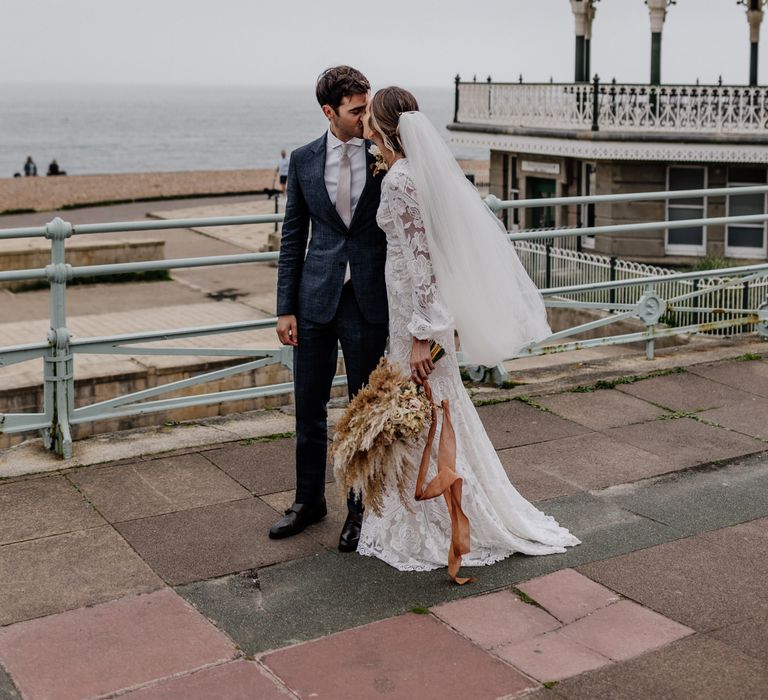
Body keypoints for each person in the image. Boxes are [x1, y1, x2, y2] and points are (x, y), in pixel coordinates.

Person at [358, 87, 580, 572]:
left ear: (384, 125)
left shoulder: (399, 179)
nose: (366, 125)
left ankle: (439, 519)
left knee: (429, 411)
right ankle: (439, 509)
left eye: (370, 117)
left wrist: (423, 334)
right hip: (413, 313)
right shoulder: (414, 173)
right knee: (437, 410)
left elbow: (423, 265)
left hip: (416, 318)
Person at [271, 66, 389, 552]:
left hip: (366, 300)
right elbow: (293, 236)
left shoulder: (384, 155)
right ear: (329, 112)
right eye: (356, 110)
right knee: (309, 408)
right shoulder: (302, 160)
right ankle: (308, 501)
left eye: (366, 107)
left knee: (364, 411)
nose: (365, 117)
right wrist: (285, 308)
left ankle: (360, 511)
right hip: (314, 301)